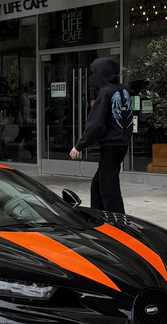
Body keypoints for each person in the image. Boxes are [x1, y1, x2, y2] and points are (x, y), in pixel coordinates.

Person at [69, 58, 133, 214]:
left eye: (95, 73)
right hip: (122, 144)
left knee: (109, 188)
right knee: (98, 184)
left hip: (110, 146)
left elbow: (96, 124)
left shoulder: (105, 92)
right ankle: (97, 215)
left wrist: (80, 145)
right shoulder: (123, 90)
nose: (94, 77)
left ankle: (117, 222)